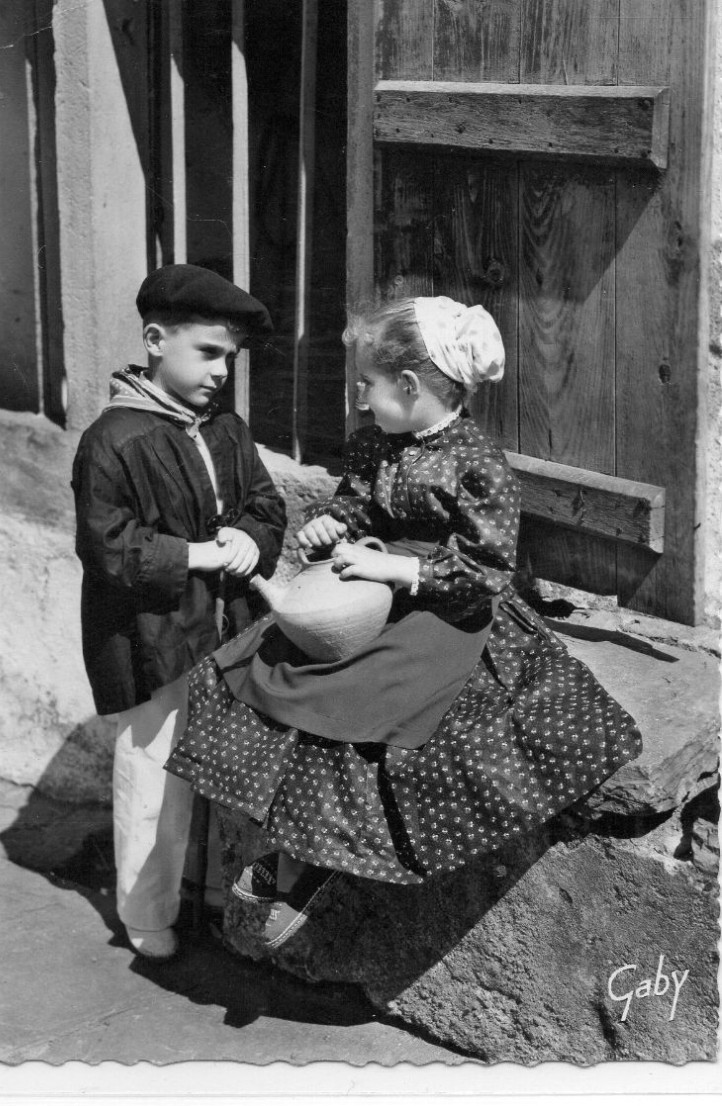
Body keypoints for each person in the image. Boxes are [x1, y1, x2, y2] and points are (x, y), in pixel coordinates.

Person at [165, 294, 642, 951]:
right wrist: (336, 525)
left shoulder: (478, 466)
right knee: (263, 667)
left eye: (369, 385)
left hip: (448, 607)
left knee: (364, 706)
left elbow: (488, 571)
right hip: (370, 593)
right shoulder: (373, 445)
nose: (360, 399)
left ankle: (307, 867)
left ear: (412, 387)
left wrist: (405, 574)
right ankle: (290, 846)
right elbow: (358, 509)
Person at [72, 264, 287, 960]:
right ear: (156, 340)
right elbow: (108, 549)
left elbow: (266, 502)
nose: (222, 371)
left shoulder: (224, 428)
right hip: (149, 640)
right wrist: (197, 554)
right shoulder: (114, 440)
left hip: (224, 632)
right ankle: (145, 908)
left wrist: (251, 537)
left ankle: (216, 894)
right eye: (208, 352)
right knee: (154, 775)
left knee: (225, 762)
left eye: (230, 357)